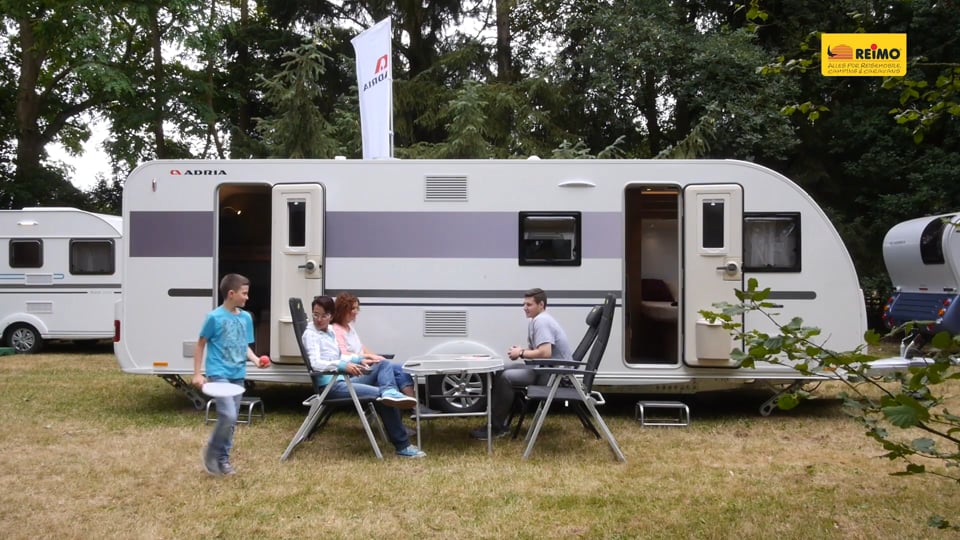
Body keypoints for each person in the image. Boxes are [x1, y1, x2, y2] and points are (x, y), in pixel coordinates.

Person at [303, 295, 426, 458]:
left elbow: (339, 355)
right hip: (331, 386)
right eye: (315, 314)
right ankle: (402, 446)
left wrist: (358, 359)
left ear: (331, 316)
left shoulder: (329, 331)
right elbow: (316, 363)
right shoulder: (311, 334)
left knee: (383, 364)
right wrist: (342, 366)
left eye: (324, 315)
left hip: (344, 379)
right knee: (382, 397)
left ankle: (390, 391)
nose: (319, 319)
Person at [192, 273, 270, 476]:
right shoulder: (214, 317)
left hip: (237, 374)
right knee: (228, 415)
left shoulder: (246, 318)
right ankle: (212, 451)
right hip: (219, 373)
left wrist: (256, 360)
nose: (247, 297)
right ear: (231, 294)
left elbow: (244, 345)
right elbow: (200, 344)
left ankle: (223, 460)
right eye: (244, 293)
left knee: (231, 421)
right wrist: (197, 373)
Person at [471, 288, 573, 440]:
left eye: (529, 304)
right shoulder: (537, 320)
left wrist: (521, 353)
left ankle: (496, 428)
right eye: (524, 304)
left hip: (555, 377)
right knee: (500, 369)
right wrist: (521, 351)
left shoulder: (542, 321)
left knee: (507, 378)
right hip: (545, 370)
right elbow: (540, 352)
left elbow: (545, 353)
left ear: (541, 305)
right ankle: (497, 421)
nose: (524, 307)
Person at [330, 292, 416, 398]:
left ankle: (412, 401)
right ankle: (397, 397)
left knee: (401, 368)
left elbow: (361, 347)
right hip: (355, 372)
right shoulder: (336, 329)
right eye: (352, 309)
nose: (356, 312)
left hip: (365, 366)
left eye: (357, 308)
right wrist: (368, 358)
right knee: (387, 366)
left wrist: (376, 357)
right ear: (342, 310)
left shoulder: (349, 327)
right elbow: (343, 355)